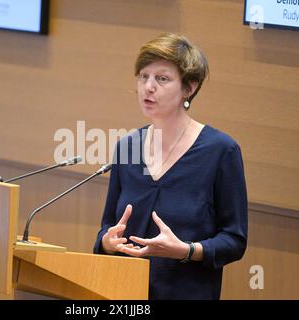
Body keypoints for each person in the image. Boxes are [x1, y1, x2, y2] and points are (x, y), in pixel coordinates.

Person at [93, 33, 248, 300]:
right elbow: (108, 224)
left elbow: (234, 241)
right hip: (122, 294)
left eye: (162, 79)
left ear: (189, 88)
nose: (148, 87)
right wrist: (107, 242)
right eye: (143, 76)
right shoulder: (127, 147)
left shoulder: (221, 152)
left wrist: (186, 250)